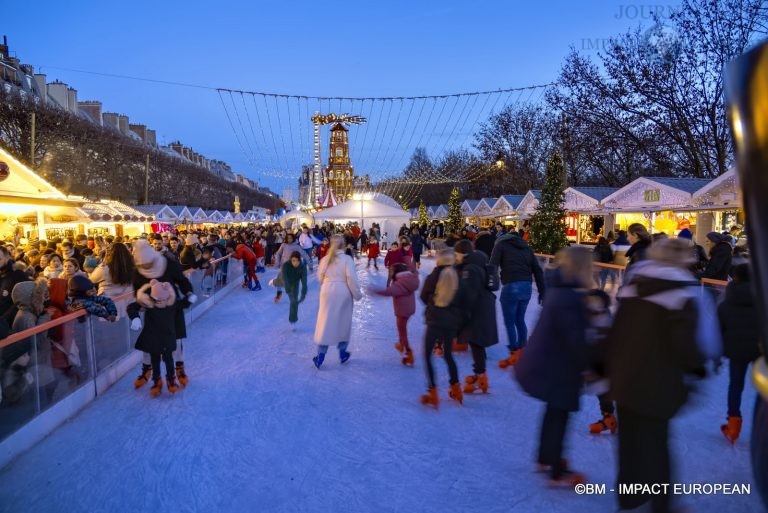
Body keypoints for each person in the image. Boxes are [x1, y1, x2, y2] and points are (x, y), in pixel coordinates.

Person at [607, 238, 707, 513]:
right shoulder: (680, 295)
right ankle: (661, 504)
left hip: (624, 377)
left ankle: (629, 498)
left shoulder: (633, 287)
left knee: (629, 443)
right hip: (657, 382)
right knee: (656, 445)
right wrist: (697, 369)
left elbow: (616, 332)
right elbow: (686, 344)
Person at [515, 246, 592, 486]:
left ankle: (545, 457)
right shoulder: (571, 297)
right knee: (559, 414)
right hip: (558, 365)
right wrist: (592, 363)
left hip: (547, 360)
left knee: (554, 412)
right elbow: (575, 339)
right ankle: (556, 469)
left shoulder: (559, 289)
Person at [128, 240, 196, 389]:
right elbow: (137, 292)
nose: (146, 267)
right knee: (150, 343)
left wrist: (189, 293)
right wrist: (139, 307)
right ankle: (147, 370)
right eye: (143, 265)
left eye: (148, 264)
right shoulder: (137, 271)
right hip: (152, 309)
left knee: (176, 341)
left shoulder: (167, 264)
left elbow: (182, 280)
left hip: (172, 308)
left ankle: (179, 368)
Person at [718, 263, 761, 444]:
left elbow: (719, 329)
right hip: (761, 349)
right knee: (763, 388)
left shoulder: (727, 302)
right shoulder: (763, 298)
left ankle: (733, 424)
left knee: (736, 385)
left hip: (736, 349)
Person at [489, 230, 545, 368]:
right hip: (526, 286)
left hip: (511, 285)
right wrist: (542, 290)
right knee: (520, 320)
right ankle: (523, 350)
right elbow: (537, 269)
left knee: (509, 322)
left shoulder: (500, 245)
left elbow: (492, 266)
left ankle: (514, 352)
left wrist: (490, 285)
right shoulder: (526, 247)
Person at [419, 249, 464, 407]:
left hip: (435, 320)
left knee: (427, 354)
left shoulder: (434, 276)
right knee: (448, 355)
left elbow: (424, 296)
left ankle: (433, 391)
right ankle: (456, 386)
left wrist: (434, 302)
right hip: (451, 322)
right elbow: (460, 299)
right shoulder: (457, 275)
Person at [454, 240, 498, 394]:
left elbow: (469, 294)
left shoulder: (470, 269)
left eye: (456, 254)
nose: (455, 257)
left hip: (477, 309)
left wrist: (462, 315)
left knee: (476, 342)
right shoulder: (479, 262)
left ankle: (481, 377)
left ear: (462, 253)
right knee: (476, 343)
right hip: (484, 307)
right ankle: (480, 374)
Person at [312, 235, 362, 368]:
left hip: (327, 291)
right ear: (343, 245)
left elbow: (319, 276)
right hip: (343, 291)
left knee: (326, 322)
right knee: (343, 322)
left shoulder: (325, 259)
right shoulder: (347, 259)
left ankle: (320, 355)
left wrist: (327, 283)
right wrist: (357, 294)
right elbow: (351, 277)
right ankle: (342, 352)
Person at [134, 279, 180, 396]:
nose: (159, 301)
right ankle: (156, 381)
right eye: (156, 299)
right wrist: (146, 287)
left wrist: (169, 288)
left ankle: (170, 380)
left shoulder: (170, 306)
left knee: (169, 360)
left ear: (167, 298)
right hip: (154, 339)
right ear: (153, 298)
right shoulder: (150, 306)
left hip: (167, 338)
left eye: (162, 299)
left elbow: (174, 297)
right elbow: (139, 299)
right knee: (155, 361)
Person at [370, 262, 420, 366]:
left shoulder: (400, 284)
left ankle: (408, 353)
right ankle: (401, 344)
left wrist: (375, 291)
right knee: (402, 329)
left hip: (402, 311)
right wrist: (407, 260)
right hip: (410, 309)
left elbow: (389, 291)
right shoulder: (411, 278)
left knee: (402, 331)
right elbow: (415, 270)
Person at [272, 233, 309, 303]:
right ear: (286, 239)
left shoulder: (296, 246)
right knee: (279, 280)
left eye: (291, 238)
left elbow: (304, 254)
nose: (289, 239)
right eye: (288, 238)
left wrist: (309, 263)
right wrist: (277, 262)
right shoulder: (283, 245)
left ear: (293, 238)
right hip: (283, 266)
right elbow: (278, 253)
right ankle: (278, 294)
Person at [281, 251, 307, 330]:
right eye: (293, 260)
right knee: (276, 282)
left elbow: (304, 282)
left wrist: (303, 294)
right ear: (290, 260)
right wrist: (289, 292)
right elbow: (285, 280)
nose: (295, 263)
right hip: (284, 280)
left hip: (295, 283)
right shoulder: (285, 265)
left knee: (294, 301)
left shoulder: (302, 267)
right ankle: (273, 282)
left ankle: (293, 320)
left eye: (297, 261)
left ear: (300, 260)